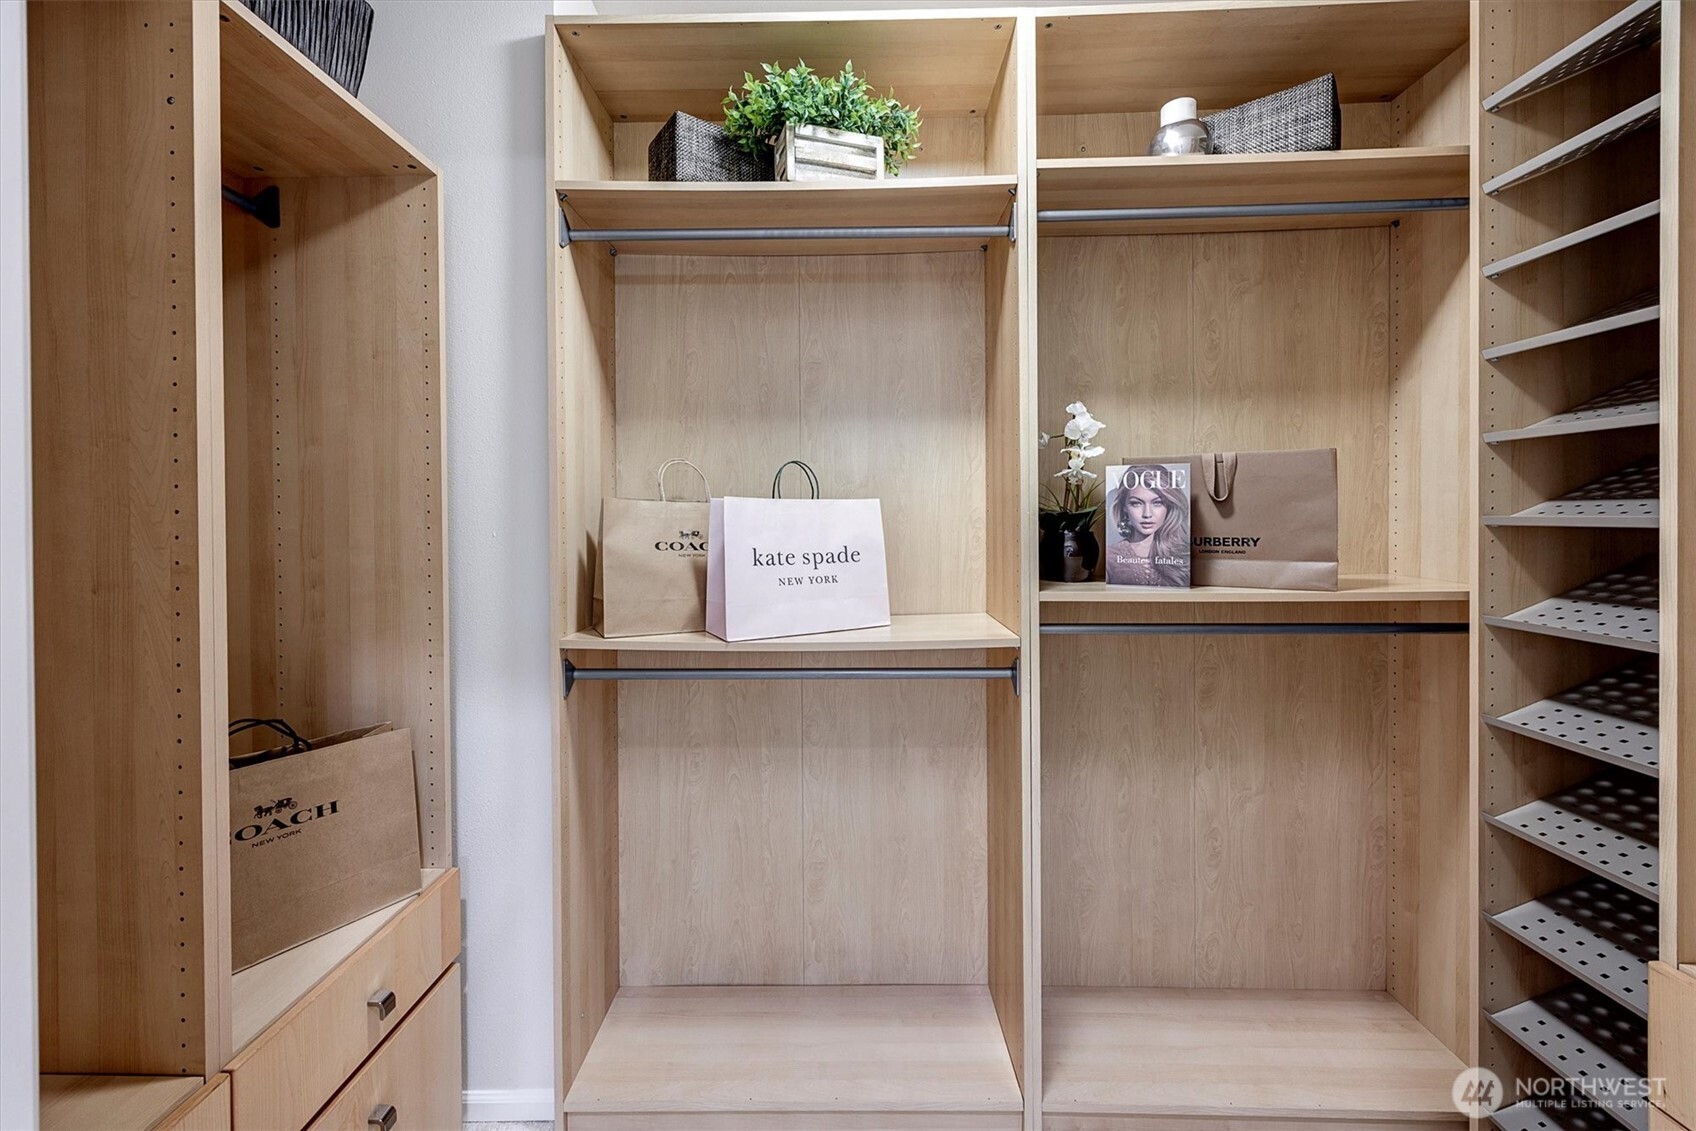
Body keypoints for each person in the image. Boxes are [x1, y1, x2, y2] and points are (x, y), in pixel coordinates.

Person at [1108, 465, 1190, 587]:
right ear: (1124, 507)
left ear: (1169, 506)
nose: (1147, 514)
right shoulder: (1110, 558)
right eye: (1136, 503)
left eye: (1157, 503)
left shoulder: (1183, 553)